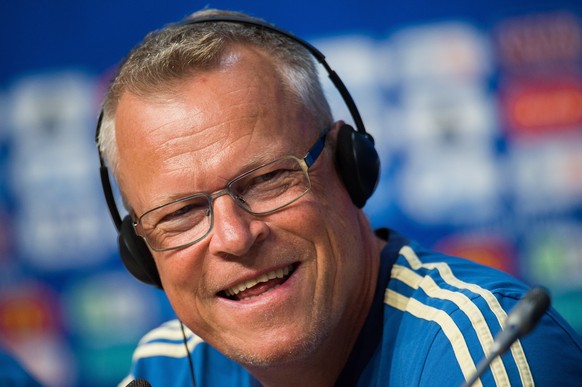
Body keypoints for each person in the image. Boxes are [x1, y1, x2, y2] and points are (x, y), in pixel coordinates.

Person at [96, 8, 582, 387]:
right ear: (141, 253)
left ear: (349, 166)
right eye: (180, 213)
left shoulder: (482, 354)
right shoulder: (164, 372)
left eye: (266, 180)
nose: (234, 237)